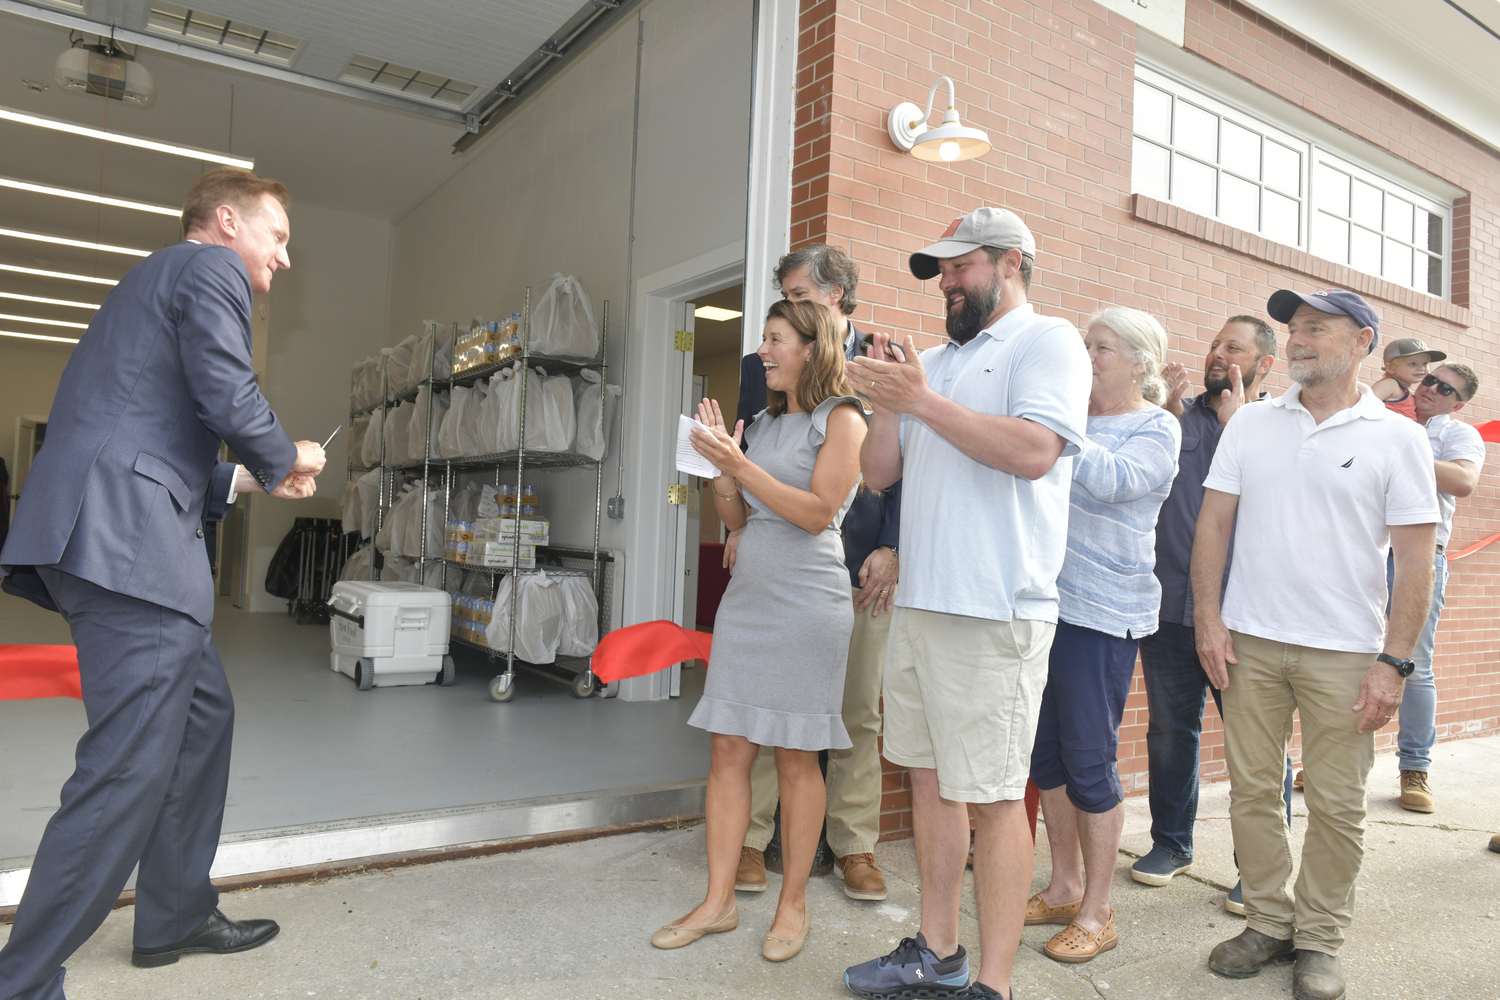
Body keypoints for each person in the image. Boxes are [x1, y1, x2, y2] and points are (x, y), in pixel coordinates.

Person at [0, 168, 327, 1000]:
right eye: (278, 237)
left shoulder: (154, 286)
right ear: (227, 221)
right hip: (129, 553)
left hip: (111, 534)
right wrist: (285, 456)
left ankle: (174, 912)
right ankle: (22, 979)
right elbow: (227, 386)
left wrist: (256, 477)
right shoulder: (206, 268)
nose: (283, 259)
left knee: (202, 719)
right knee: (124, 771)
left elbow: (156, 439)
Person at [842, 207, 1090, 1000]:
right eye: (940, 270)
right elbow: (880, 476)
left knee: (991, 800)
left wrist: (921, 402)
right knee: (926, 781)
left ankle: (994, 983)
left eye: (961, 266)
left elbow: (1034, 451)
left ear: (1012, 261)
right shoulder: (939, 362)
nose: (945, 282)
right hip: (922, 604)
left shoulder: (1046, 342)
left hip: (996, 609)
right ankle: (939, 954)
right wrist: (887, 399)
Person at [1194, 288, 1438, 1000]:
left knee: (1335, 805)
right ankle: (1268, 921)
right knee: (1252, 795)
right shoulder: (1252, 425)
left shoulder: (1399, 437)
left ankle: (1320, 938)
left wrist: (1394, 663)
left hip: (1346, 653)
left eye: (1315, 328)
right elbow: (1213, 526)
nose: (1297, 339)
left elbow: (1416, 562)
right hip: (1249, 643)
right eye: (1293, 328)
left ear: (1362, 341)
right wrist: (1209, 619)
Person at [653, 298, 866, 963]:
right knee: (728, 751)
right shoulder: (767, 425)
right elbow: (739, 521)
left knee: (799, 757)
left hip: (808, 605)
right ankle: (717, 903)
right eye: (763, 341)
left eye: (776, 340)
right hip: (749, 600)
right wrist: (721, 466)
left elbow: (816, 512)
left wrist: (740, 466)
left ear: (814, 346)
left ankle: (793, 904)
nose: (763, 352)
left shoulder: (845, 419)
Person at [732, 245, 897, 903]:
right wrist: (738, 529)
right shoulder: (759, 366)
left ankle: (855, 847)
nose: (786, 306)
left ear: (835, 296)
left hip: (861, 567)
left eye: (797, 293)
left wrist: (893, 545)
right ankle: (749, 837)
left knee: (857, 710)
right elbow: (747, 453)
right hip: (782, 566)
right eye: (783, 294)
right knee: (769, 704)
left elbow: (904, 463)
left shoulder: (883, 364)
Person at [1026, 308, 1180, 963]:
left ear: (1141, 361)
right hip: (1041, 607)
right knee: (1046, 759)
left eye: (1102, 346)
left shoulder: (1158, 425)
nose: (1088, 354)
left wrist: (1057, 427)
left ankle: (1098, 910)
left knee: (1090, 762)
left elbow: (1117, 482)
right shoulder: (1075, 421)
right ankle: (1062, 886)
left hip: (1102, 615)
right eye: (1085, 344)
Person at [1132, 315, 1291, 916]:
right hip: (1172, 607)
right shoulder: (1176, 414)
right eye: (1216, 343)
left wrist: (1237, 425)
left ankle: (1262, 870)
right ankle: (1171, 844)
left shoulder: (1279, 425)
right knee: (1172, 732)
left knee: (1257, 744)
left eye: (1236, 348)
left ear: (1265, 364)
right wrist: (1165, 410)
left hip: (1247, 615)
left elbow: (1279, 500)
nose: (1221, 354)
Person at [1389, 362, 1484, 813]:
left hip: (1422, 558)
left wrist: (1401, 449)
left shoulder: (1459, 434)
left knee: (1413, 665)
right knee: (1346, 656)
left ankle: (1415, 767)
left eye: (1443, 387)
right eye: (1428, 379)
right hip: (1364, 555)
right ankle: (1338, 757)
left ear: (1457, 402)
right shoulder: (1388, 416)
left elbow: (1464, 480)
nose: (1430, 388)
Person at [1371, 337, 1443, 420]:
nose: (1421, 368)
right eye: (1413, 363)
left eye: (1425, 364)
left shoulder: (1407, 393)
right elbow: (1364, 405)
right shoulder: (1390, 385)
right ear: (1391, 368)